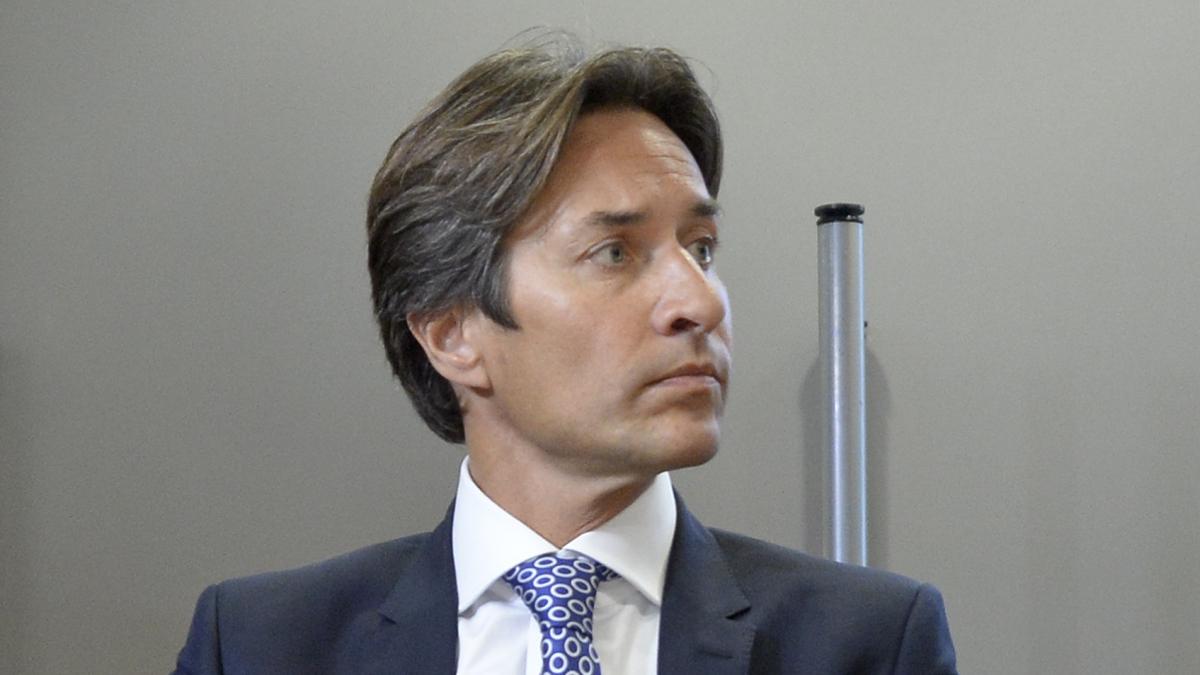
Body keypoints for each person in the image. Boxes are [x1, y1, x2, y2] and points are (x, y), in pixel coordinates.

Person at [172, 37, 957, 675]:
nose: (700, 302)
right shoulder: (258, 646)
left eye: (701, 247)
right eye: (615, 252)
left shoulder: (872, 643)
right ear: (451, 332)